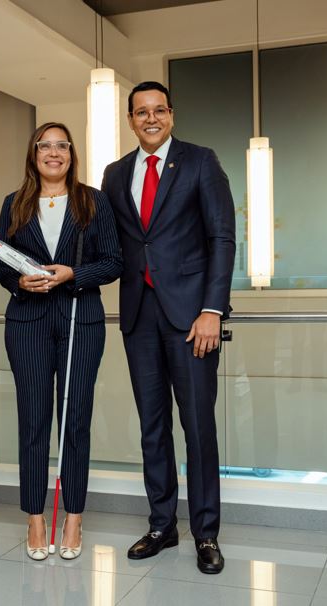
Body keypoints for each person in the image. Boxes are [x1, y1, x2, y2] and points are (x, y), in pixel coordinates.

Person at [101, 81, 235, 574]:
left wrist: (212, 310)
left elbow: (222, 237)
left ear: (172, 115)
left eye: (159, 110)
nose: (151, 118)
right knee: (152, 427)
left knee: (198, 427)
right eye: (141, 112)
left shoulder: (201, 161)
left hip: (191, 319)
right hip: (138, 317)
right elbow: (113, 247)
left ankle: (205, 532)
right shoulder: (115, 174)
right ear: (131, 120)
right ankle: (162, 524)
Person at [0, 122, 123, 561]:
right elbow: (0, 266)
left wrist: (74, 275)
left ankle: (73, 516)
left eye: (61, 146)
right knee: (32, 421)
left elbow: (113, 261)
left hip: (79, 319)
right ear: (33, 154)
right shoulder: (15, 203)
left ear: (71, 153)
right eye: (44, 146)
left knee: (75, 421)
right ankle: (34, 517)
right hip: (27, 322)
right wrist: (19, 282)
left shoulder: (94, 201)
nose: (53, 153)